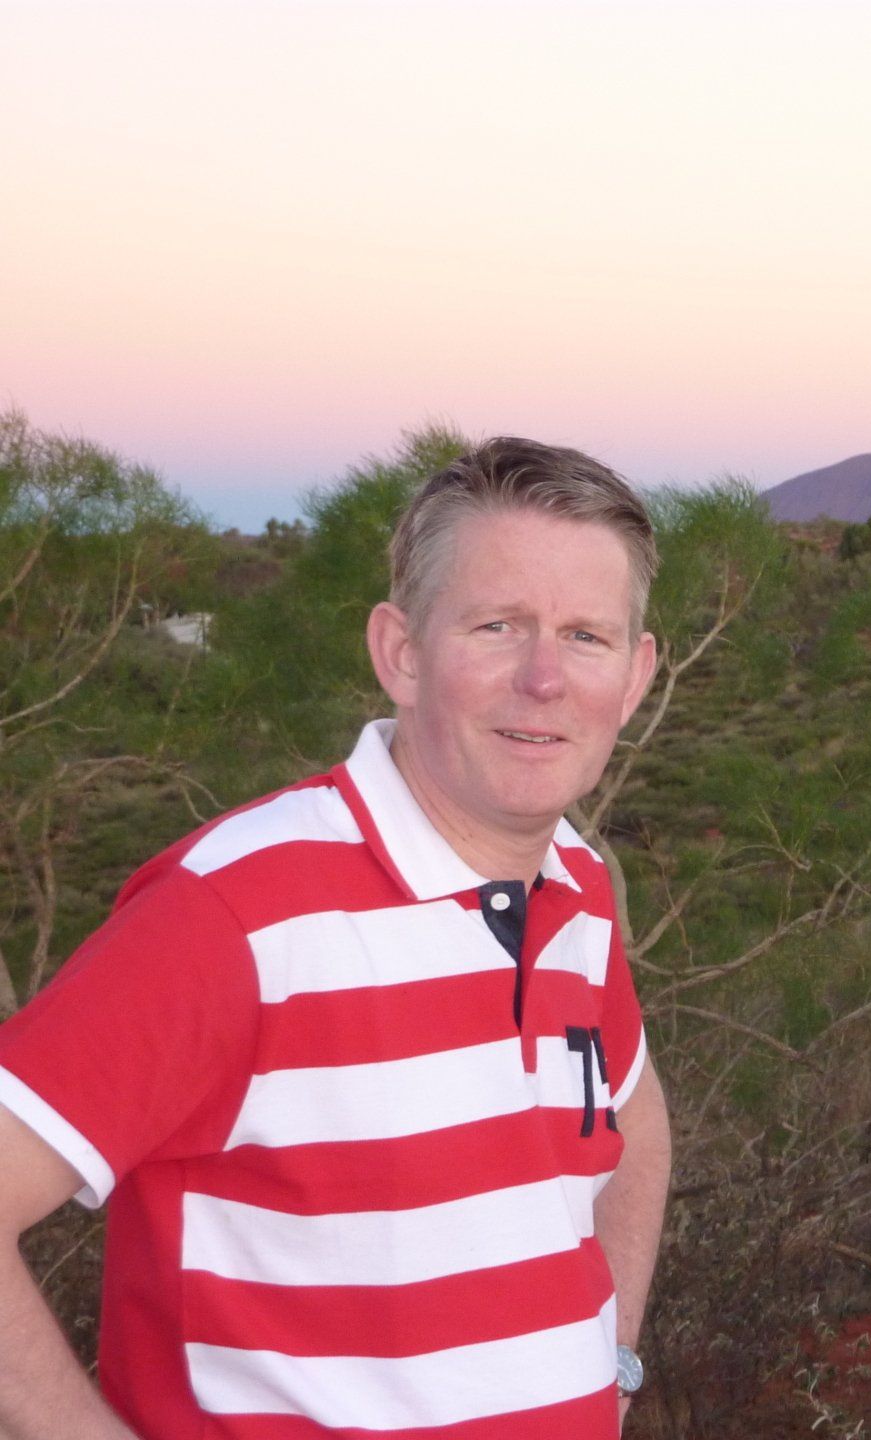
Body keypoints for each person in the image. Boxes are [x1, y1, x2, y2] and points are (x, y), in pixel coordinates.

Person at [0, 438, 672, 1439]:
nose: (544, 678)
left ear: (635, 675)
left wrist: (605, 1362)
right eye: (497, 625)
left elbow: (632, 1119)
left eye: (586, 636)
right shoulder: (239, 913)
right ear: (401, 653)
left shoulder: (574, 886)